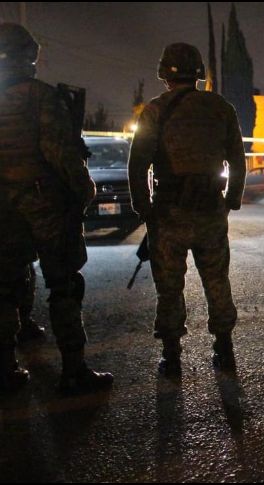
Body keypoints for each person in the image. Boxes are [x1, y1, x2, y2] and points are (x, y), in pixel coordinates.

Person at [0, 23, 112, 393]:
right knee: (64, 285)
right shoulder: (40, 97)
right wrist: (84, 190)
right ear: (29, 57)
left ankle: (6, 370)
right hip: (44, 204)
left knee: (5, 287)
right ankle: (73, 371)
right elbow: (60, 153)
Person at [128, 43, 246, 378]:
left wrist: (145, 209)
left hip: (169, 214)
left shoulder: (155, 111)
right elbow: (238, 161)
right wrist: (229, 201)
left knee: (169, 288)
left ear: (165, 74)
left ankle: (171, 357)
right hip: (210, 210)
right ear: (198, 73)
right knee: (217, 280)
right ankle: (224, 350)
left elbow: (137, 165)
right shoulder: (221, 108)